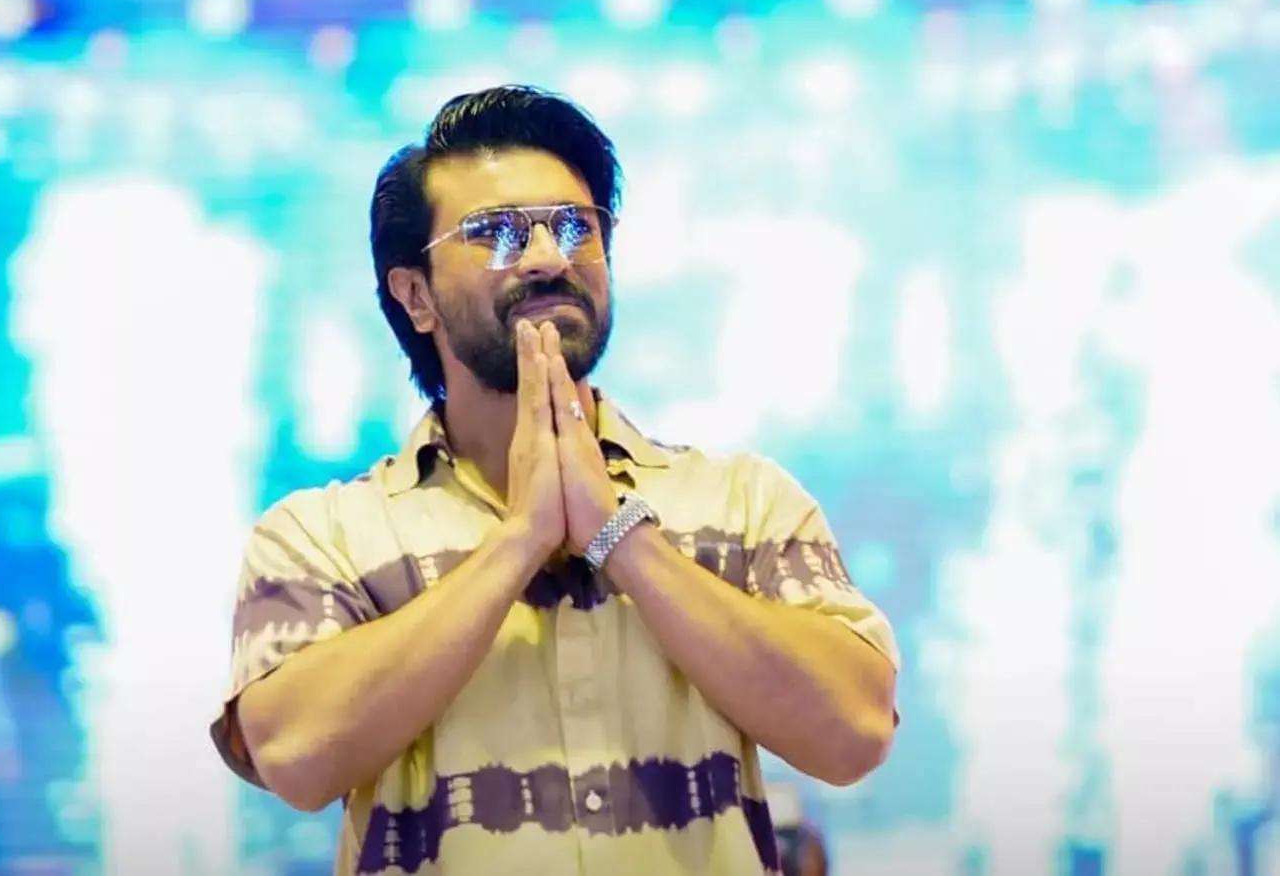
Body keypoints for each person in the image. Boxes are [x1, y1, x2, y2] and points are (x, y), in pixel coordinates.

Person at [210, 85, 900, 876]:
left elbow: (855, 733)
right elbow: (296, 757)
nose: (547, 256)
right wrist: (519, 541)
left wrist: (620, 538)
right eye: (495, 233)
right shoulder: (320, 536)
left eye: (575, 226)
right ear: (415, 295)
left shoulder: (743, 501)